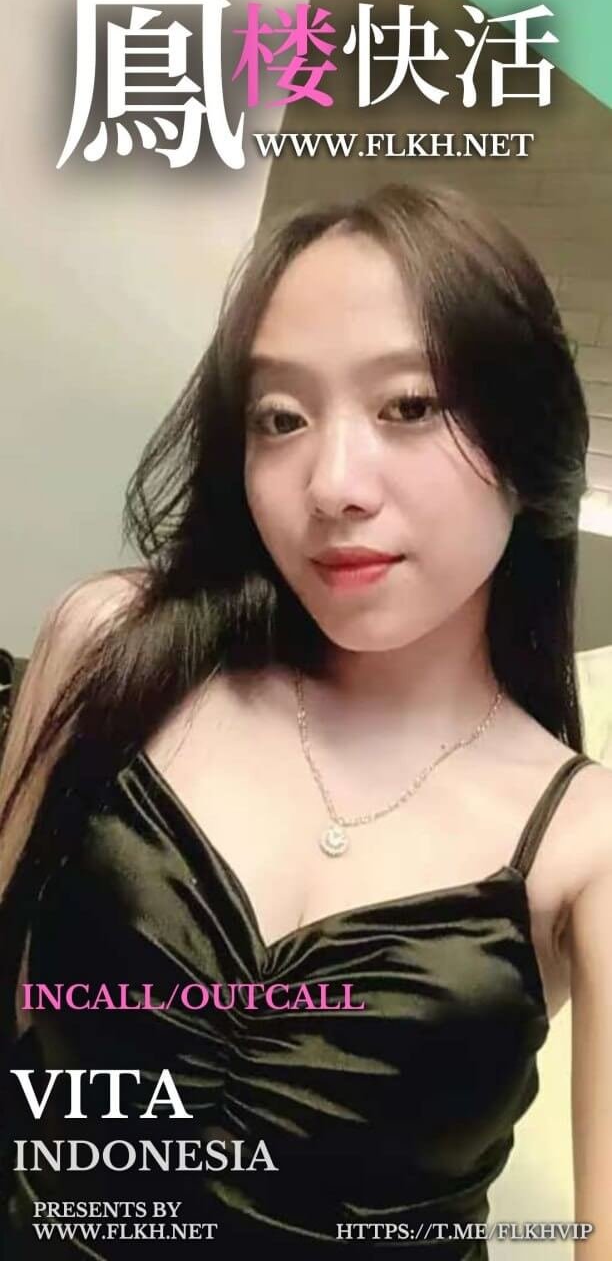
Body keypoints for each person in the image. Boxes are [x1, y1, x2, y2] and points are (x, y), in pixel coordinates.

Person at [0, 182, 610, 1259]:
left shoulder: (587, 843)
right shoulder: (111, 646)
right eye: (279, 417)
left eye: (409, 406)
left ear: (528, 440)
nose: (332, 484)